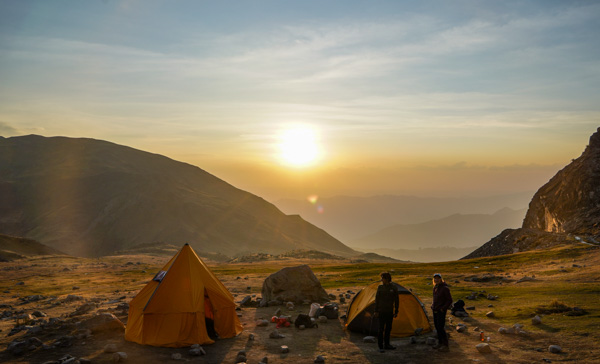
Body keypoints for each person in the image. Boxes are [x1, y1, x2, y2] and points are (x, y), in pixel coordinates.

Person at [374, 272, 399, 353]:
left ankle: (387, 344)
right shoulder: (380, 287)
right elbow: (377, 300)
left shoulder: (394, 287)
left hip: (390, 311)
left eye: (383, 278)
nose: (381, 280)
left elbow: (396, 300)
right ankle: (380, 346)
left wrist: (396, 310)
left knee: (388, 328)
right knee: (381, 329)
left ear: (387, 279)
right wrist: (376, 310)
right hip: (381, 311)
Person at [431, 273, 453, 352]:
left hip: (441, 311)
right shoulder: (435, 287)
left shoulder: (445, 288)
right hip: (435, 310)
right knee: (437, 327)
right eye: (435, 278)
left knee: (441, 327)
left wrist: (443, 308)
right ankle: (440, 343)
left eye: (438, 278)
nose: (436, 279)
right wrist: (432, 306)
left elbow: (449, 300)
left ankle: (445, 345)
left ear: (441, 279)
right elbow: (435, 299)